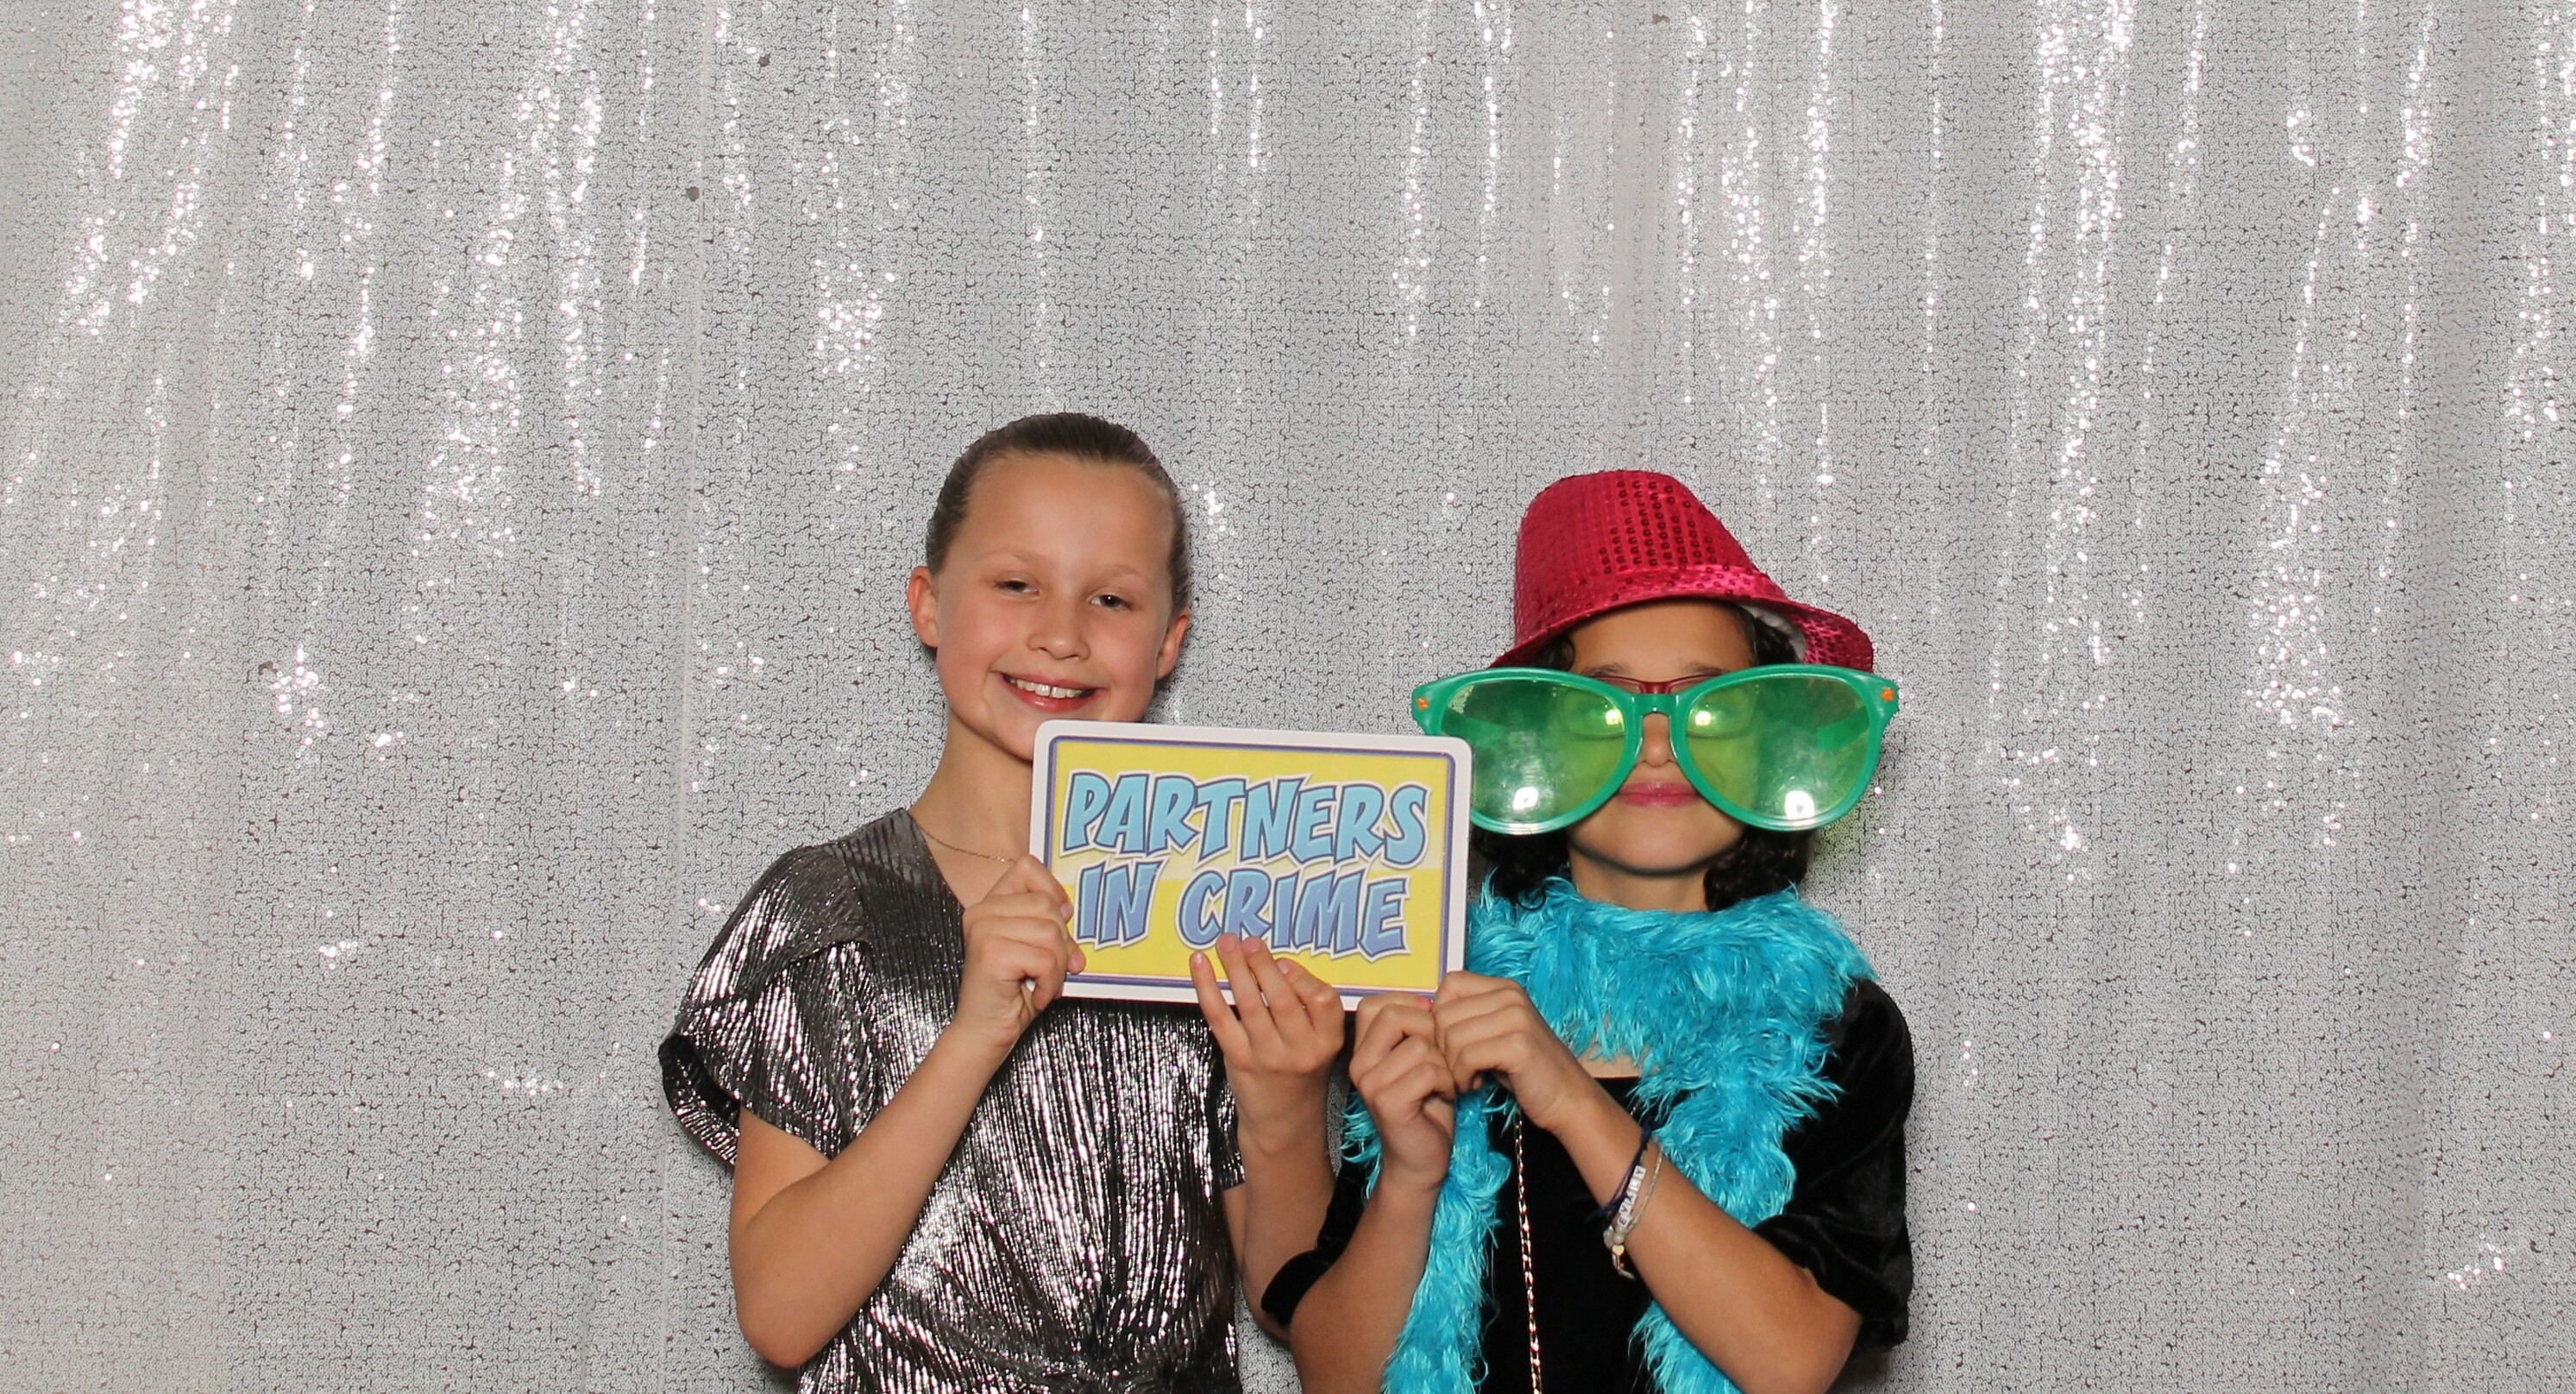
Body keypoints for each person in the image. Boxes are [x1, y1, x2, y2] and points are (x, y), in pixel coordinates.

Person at [661, 412, 1345, 1391]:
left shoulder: (1218, 918)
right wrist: (972, 1035)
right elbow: (779, 1312)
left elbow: (1299, 1308)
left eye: (1111, 598)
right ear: (928, 604)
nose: (1060, 634)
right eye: (1016, 584)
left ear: (1168, 643)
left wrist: (1283, 1110)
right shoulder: (832, 912)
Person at [1268, 469, 1913, 1394]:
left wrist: (1570, 1098)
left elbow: (1792, 1360)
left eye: (1708, 707)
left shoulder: (1835, 1028)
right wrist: (1410, 1172)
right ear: (1532, 746)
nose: (1656, 741)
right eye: (1601, 710)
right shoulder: (1434, 999)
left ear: (1769, 746)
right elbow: (1335, 1377)